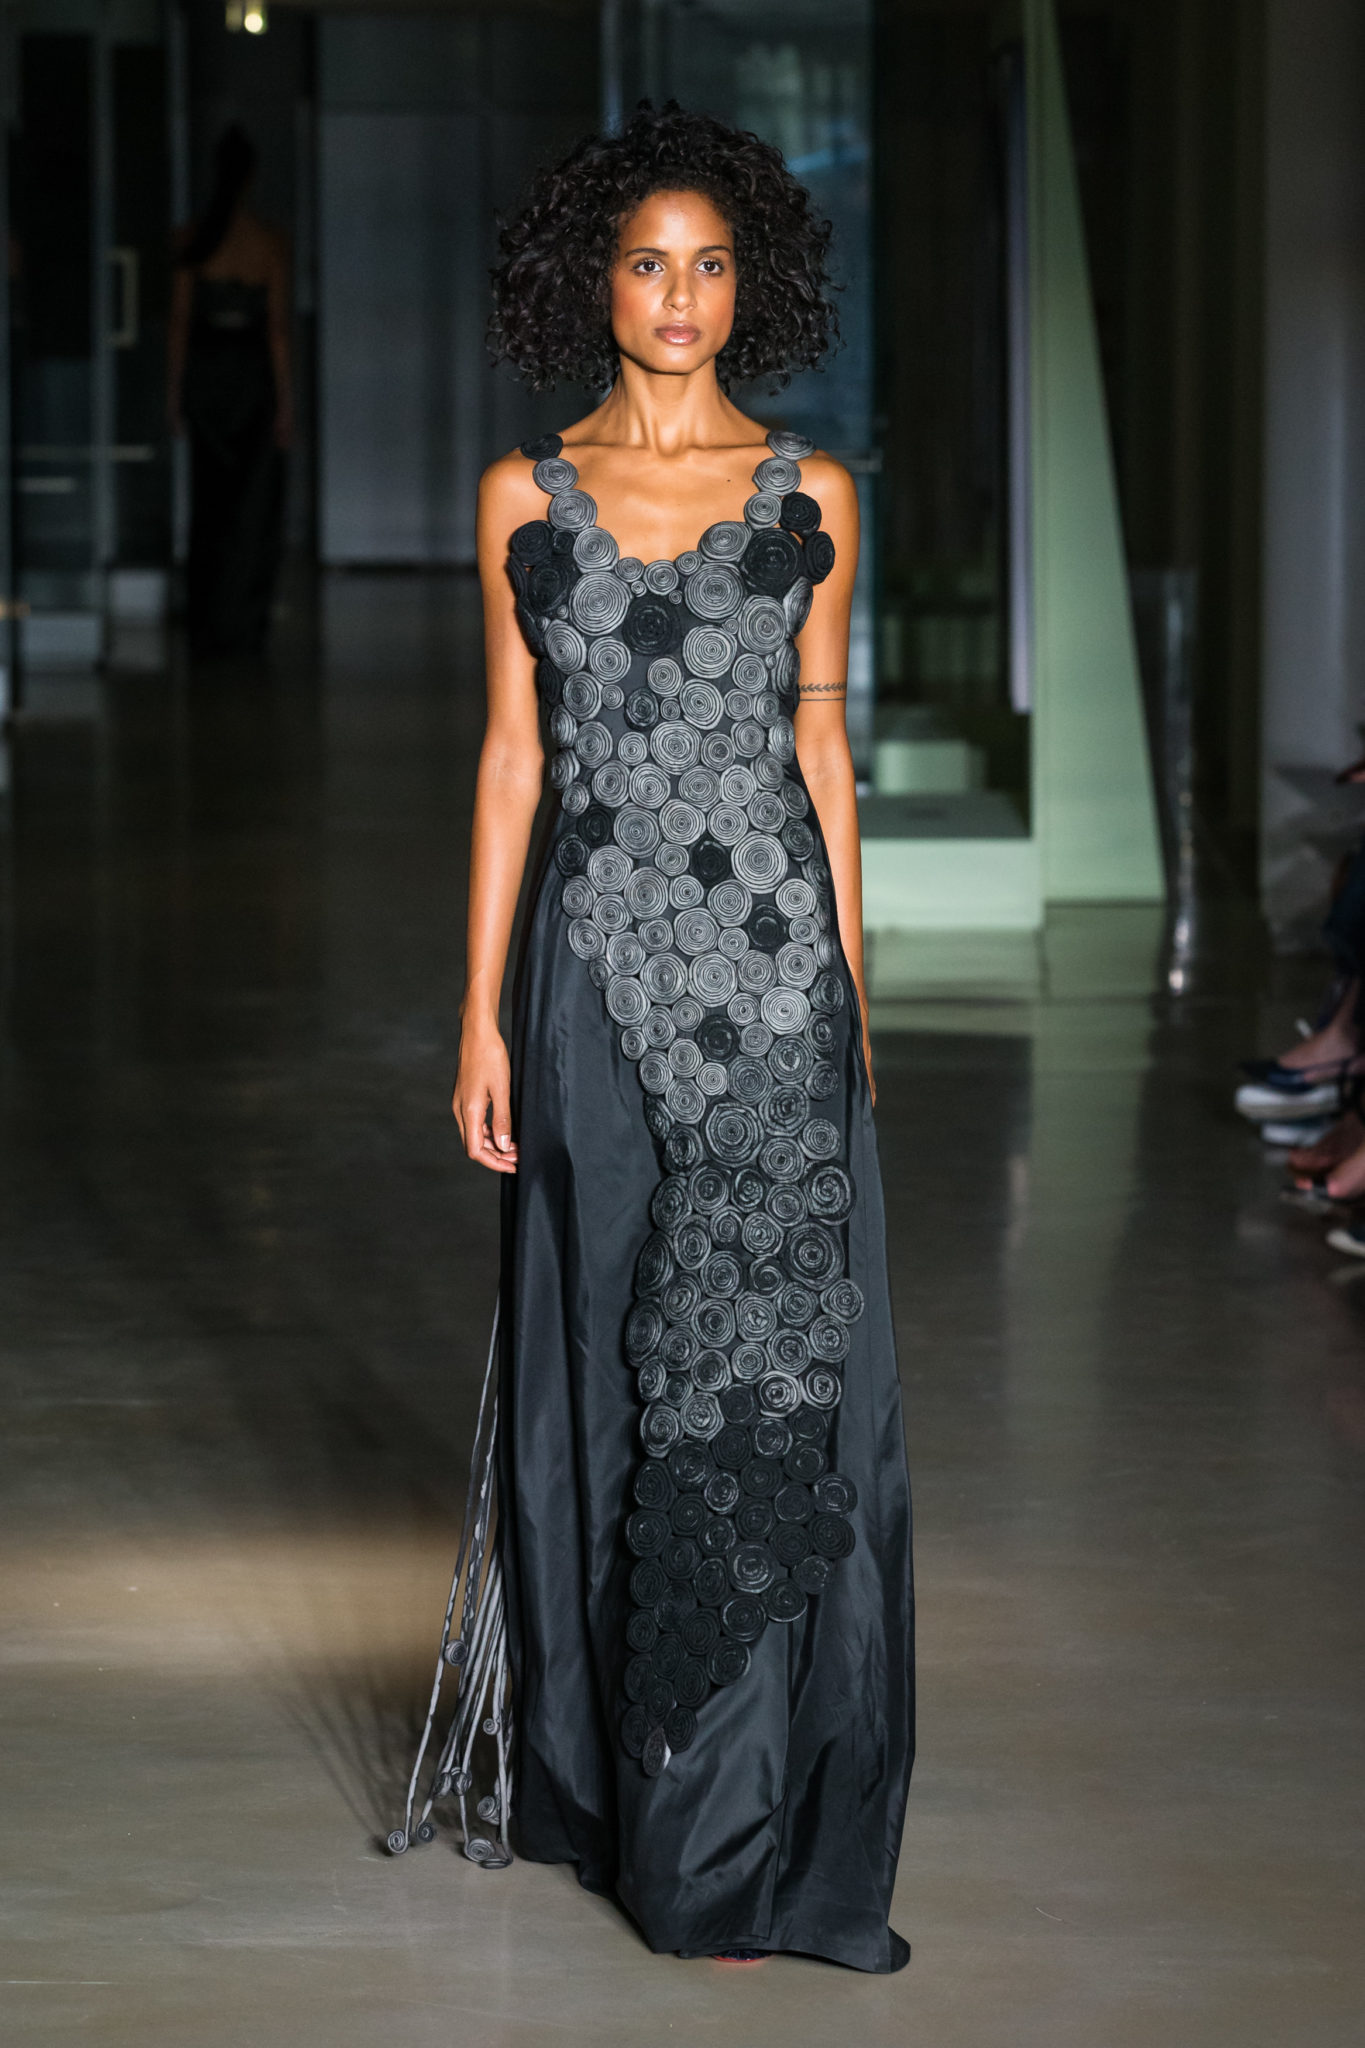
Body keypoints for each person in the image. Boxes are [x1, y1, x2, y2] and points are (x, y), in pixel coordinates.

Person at [411, 104, 914, 1974]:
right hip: (588, 980)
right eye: (647, 262)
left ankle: (737, 1825)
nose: (680, 295)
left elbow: (821, 751)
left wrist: (856, 992)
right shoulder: (521, 496)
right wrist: (479, 1012)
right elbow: (510, 760)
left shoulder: (812, 491)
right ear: (593, 284)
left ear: (747, 284)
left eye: (710, 264)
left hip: (777, 994)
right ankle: (617, 1783)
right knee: (608, 1350)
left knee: (764, 1387)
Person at [168, 125, 291, 658]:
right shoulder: (267, 242)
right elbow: (277, 331)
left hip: (207, 375)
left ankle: (207, 625)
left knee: (210, 503)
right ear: (251, 178)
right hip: (249, 376)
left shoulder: (192, 238)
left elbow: (179, 323)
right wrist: (286, 405)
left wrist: (174, 394)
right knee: (253, 507)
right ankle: (242, 626)